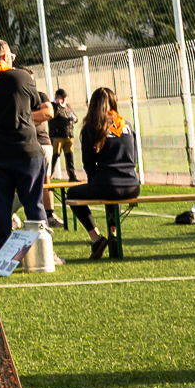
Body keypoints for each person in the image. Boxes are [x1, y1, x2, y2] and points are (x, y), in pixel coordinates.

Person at [0, 40, 51, 258]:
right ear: (6, 56)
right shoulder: (21, 77)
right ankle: (42, 254)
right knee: (33, 203)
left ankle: (3, 255)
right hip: (25, 150)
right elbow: (35, 104)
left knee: (1, 206)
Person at [70, 88, 138, 260]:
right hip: (132, 186)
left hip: (107, 184)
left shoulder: (91, 128)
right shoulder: (127, 125)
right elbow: (134, 157)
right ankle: (113, 233)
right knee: (112, 191)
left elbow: (88, 163)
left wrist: (94, 181)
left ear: (93, 105)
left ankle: (96, 238)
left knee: (72, 193)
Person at [47, 91, 77, 184]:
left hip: (68, 136)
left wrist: (75, 118)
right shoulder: (52, 106)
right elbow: (53, 116)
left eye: (64, 98)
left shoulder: (68, 106)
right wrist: (57, 105)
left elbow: (74, 116)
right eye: (62, 97)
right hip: (57, 137)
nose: (64, 100)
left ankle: (72, 176)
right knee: (54, 158)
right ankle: (47, 177)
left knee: (69, 158)